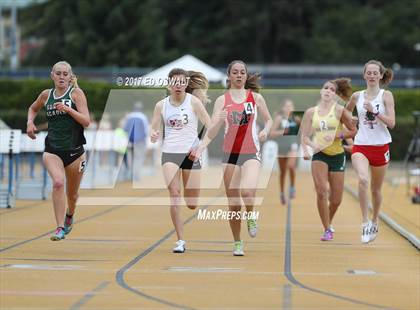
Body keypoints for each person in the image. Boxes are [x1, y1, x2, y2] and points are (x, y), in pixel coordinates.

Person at [202, 60, 272, 256]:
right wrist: (219, 120)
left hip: (251, 152)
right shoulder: (221, 101)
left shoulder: (256, 98)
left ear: (246, 76)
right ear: (229, 76)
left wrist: (265, 131)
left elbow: (269, 120)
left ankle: (250, 216)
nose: (239, 75)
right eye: (235, 72)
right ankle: (237, 242)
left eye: (242, 72)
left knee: (248, 193)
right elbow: (212, 131)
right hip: (230, 154)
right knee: (233, 202)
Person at [26, 61, 90, 241]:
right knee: (58, 183)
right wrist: (30, 122)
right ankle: (59, 227)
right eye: (58, 73)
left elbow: (86, 121)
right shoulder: (46, 95)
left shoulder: (77, 94)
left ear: (70, 77)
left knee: (73, 195)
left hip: (75, 152)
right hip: (52, 149)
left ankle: (69, 215)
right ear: (52, 75)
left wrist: (68, 109)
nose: (61, 77)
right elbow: (33, 108)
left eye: (65, 74)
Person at [150, 68, 211, 253]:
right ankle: (180, 240)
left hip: (191, 154)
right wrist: (154, 134)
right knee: (174, 193)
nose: (178, 86)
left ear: (186, 84)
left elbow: (211, 126)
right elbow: (153, 128)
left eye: (182, 82)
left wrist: (200, 147)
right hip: (170, 153)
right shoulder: (161, 105)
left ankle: (188, 197)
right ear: (169, 85)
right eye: (175, 82)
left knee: (191, 203)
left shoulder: (194, 102)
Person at [345, 60, 395, 243]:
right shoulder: (357, 96)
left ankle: (375, 221)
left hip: (381, 146)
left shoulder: (386, 95)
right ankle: (365, 222)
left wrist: (374, 111)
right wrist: (351, 128)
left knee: (376, 189)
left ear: (381, 76)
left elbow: (392, 123)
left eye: (376, 73)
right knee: (363, 180)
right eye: (369, 73)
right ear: (364, 75)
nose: (372, 76)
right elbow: (346, 114)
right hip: (361, 146)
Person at [301, 78, 356, 241]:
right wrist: (309, 148)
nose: (328, 91)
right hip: (320, 155)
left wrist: (337, 135)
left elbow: (353, 130)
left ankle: (328, 221)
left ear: (335, 94)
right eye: (326, 88)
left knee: (336, 199)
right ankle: (327, 229)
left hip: (337, 156)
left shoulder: (340, 111)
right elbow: (304, 135)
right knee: (321, 191)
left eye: (332, 89)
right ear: (321, 91)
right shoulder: (311, 112)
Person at [270, 99, 300, 205]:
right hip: (281, 148)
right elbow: (271, 133)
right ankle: (282, 193)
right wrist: (282, 132)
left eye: (291, 106)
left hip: (292, 147)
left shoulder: (296, 119)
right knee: (283, 172)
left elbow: (302, 133)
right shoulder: (279, 118)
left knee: (291, 166)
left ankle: (292, 187)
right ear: (283, 108)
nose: (289, 108)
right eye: (287, 106)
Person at [124, 102, 149, 182]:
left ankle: (130, 175)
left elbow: (125, 129)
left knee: (130, 159)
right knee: (138, 158)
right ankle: (136, 176)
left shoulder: (129, 117)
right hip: (140, 142)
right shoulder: (143, 117)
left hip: (129, 141)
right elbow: (146, 131)